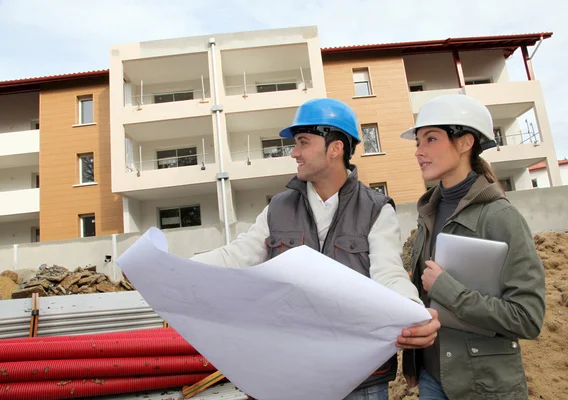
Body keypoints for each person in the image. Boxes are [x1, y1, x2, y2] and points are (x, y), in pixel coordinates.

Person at [191, 98, 441, 399]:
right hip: (291, 374)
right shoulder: (279, 208)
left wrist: (413, 314)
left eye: (302, 143)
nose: (294, 153)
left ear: (334, 148)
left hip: (359, 379)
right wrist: (174, 267)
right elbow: (238, 256)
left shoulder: (375, 209)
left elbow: (388, 274)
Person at [399, 93, 546, 399]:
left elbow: (527, 318)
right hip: (432, 377)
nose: (419, 151)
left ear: (465, 143)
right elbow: (422, 298)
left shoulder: (501, 217)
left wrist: (448, 290)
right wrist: (413, 363)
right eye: (418, 142)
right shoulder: (428, 213)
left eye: (431, 139)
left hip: (484, 386)